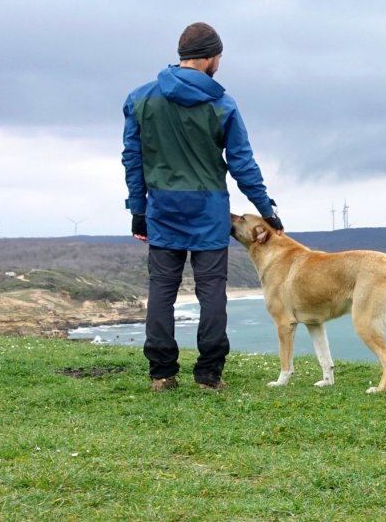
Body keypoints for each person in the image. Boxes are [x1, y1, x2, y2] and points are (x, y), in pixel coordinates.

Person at [121, 22, 283, 392]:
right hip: (209, 211)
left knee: (162, 289)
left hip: (162, 208)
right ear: (211, 58)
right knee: (211, 291)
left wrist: (138, 209)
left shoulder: (140, 99)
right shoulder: (222, 103)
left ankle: (162, 373)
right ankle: (209, 374)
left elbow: (133, 158)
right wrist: (266, 210)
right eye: (219, 58)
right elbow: (242, 163)